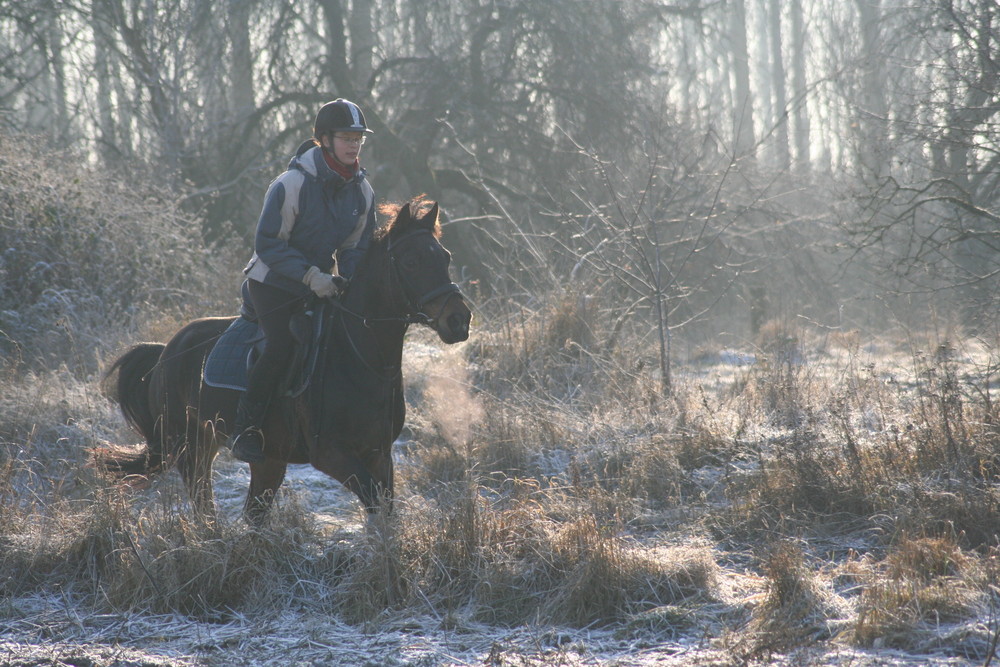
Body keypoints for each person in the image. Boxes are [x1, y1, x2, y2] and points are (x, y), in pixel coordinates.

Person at [228, 99, 377, 464]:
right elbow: (268, 245)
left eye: (358, 138)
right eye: (345, 137)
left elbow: (356, 248)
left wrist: (350, 280)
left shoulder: (362, 191)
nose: (353, 144)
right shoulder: (292, 184)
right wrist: (311, 276)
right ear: (324, 139)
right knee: (280, 345)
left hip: (321, 284)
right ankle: (246, 430)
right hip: (272, 284)